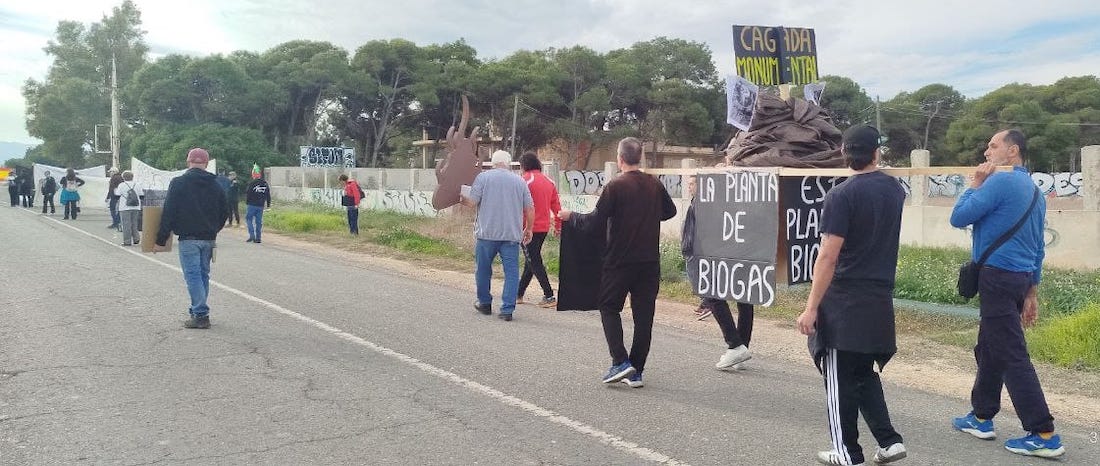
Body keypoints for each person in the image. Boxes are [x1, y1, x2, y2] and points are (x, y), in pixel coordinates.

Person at [948, 129, 1064, 458]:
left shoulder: (998, 182)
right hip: (1019, 278)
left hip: (997, 278)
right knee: (990, 346)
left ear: (1012, 151)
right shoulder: (1035, 191)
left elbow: (959, 218)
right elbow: (1038, 247)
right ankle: (981, 416)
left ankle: (1043, 433)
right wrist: (1032, 291)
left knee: (1011, 352)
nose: (986, 152)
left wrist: (975, 184)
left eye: (993, 145)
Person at [795, 126, 907, 466]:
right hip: (878, 297)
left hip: (844, 300)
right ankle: (889, 441)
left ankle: (846, 451)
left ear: (844, 154)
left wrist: (811, 307)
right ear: (876, 152)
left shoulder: (841, 195)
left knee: (838, 377)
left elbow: (828, 256)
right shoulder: (895, 190)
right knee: (862, 373)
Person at [560, 137, 676, 388]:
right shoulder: (654, 184)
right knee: (644, 318)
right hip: (649, 262)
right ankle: (636, 371)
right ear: (640, 158)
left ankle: (620, 361)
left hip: (620, 261)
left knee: (608, 306)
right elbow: (671, 212)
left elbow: (594, 223)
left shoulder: (615, 186)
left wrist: (571, 216)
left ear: (620, 159)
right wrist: (647, 215)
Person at [681, 175, 754, 370]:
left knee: (712, 295)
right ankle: (741, 348)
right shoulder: (735, 198)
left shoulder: (709, 202)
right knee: (743, 298)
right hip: (737, 252)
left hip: (710, 255)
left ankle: (736, 345)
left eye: (692, 183)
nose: (689, 187)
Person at [154, 148, 228, 329]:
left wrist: (161, 239)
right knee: (203, 275)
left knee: (193, 275)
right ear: (206, 163)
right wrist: (214, 229)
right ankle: (197, 310)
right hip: (209, 239)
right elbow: (224, 212)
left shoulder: (179, 183)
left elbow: (169, 211)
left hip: (188, 238)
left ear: (188, 162)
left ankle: (201, 314)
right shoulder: (216, 184)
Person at [460, 150, 534, 322]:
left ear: (493, 163)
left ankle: (485, 303)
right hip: (511, 235)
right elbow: (530, 208)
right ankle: (507, 310)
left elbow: (472, 202)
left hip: (487, 234)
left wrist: (462, 199)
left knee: (483, 269)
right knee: (512, 273)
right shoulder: (520, 181)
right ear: (508, 163)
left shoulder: (483, 178)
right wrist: (528, 229)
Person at [516, 152, 561, 308]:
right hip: (543, 227)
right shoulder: (549, 181)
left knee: (534, 260)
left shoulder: (524, 181)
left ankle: (549, 295)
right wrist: (558, 225)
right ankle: (518, 294)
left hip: (527, 227)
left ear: (524, 166)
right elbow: (556, 206)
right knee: (531, 260)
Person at [115, 170, 144, 246]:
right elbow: (142, 196)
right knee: (134, 223)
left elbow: (117, 195)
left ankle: (127, 241)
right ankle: (136, 239)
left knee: (126, 224)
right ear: (132, 177)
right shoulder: (137, 184)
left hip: (124, 207)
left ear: (123, 177)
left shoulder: (121, 185)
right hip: (136, 207)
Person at [244, 166, 271, 243]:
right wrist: (268, 205)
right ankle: (258, 238)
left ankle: (252, 235)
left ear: (253, 175)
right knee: (258, 222)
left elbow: (248, 193)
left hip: (252, 205)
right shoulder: (265, 184)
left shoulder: (252, 183)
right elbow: (268, 195)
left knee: (249, 219)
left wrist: (247, 202)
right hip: (261, 205)